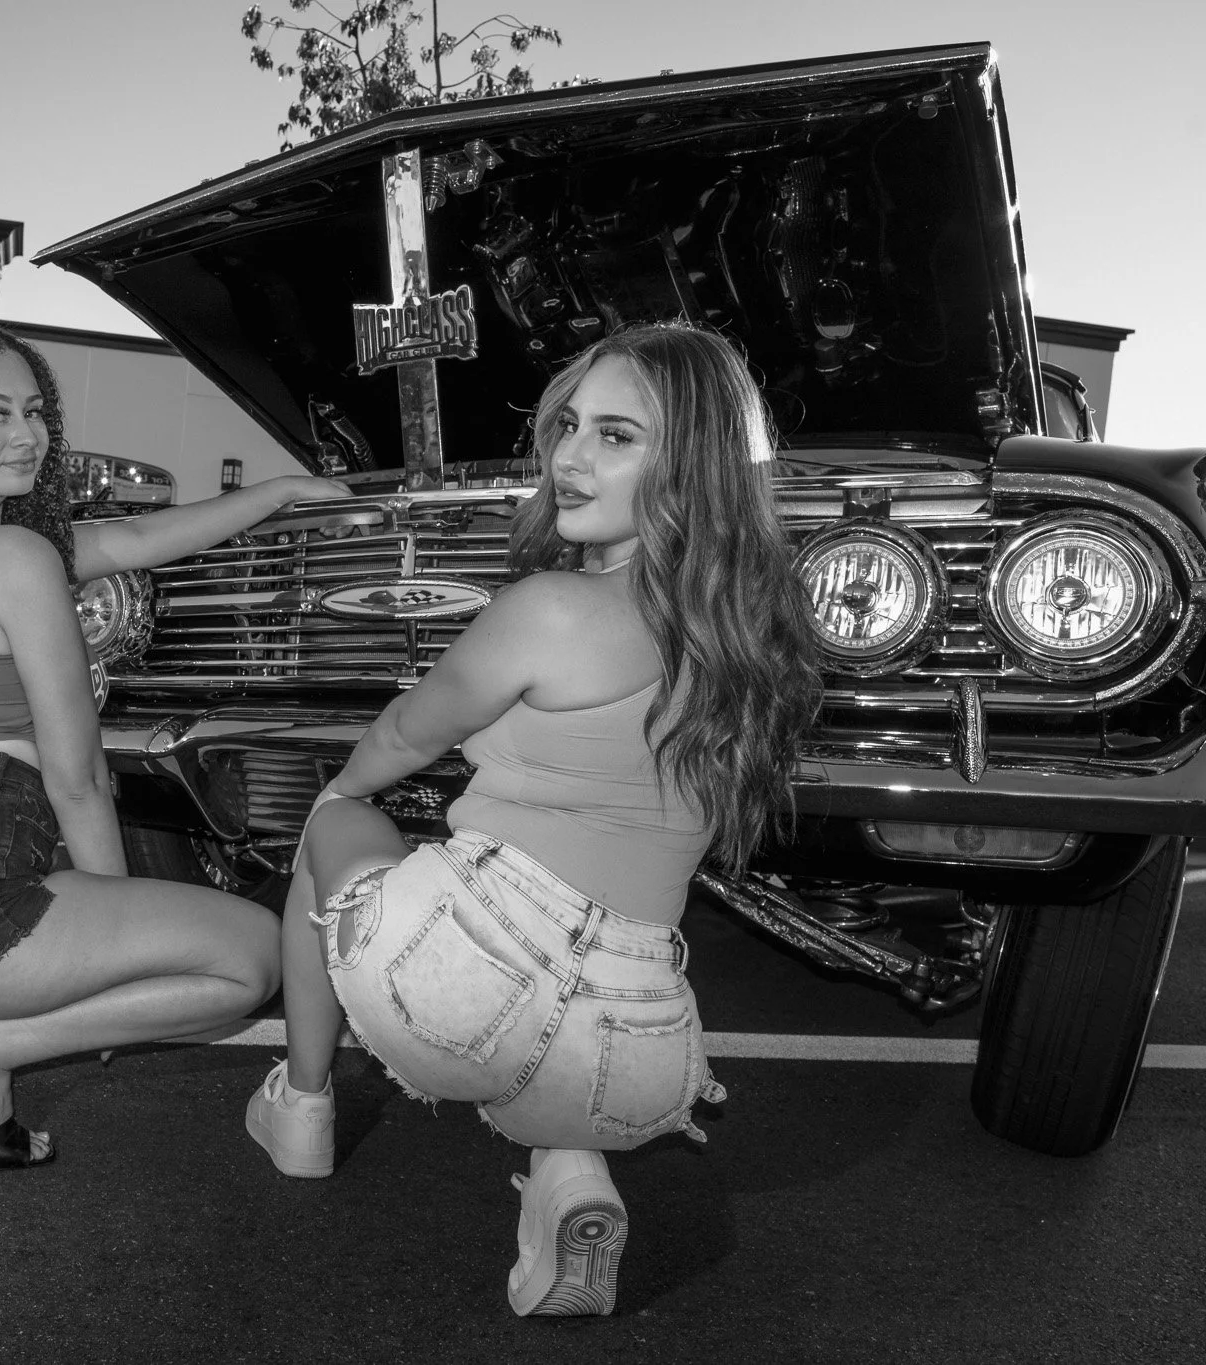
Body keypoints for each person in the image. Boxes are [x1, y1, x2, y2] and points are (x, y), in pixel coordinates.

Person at [244, 322, 821, 1316]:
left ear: (690, 462)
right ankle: (571, 1177)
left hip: (467, 976)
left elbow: (404, 730)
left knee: (331, 824)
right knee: (555, 1040)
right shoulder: (756, 636)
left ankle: (299, 1108)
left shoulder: (552, 605)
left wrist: (343, 792)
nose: (565, 457)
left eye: (613, 435)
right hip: (644, 1042)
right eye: (566, 425)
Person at [0, 322, 350, 1169]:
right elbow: (78, 775)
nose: (26, 434)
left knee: (34, 926)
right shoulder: (13, 558)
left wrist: (275, 492)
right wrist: (112, 949)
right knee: (252, 960)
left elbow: (130, 542)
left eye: (35, 410)